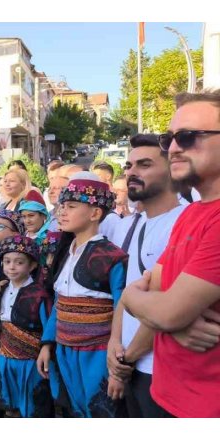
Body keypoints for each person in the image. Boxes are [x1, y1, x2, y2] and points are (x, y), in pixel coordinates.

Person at [120, 91, 220, 418]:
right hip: (165, 395)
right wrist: (171, 319)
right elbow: (159, 302)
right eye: (170, 138)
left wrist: (164, 313)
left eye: (188, 137)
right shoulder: (192, 215)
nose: (174, 147)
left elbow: (162, 308)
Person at [38, 171, 127, 418]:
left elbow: (123, 307)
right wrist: (47, 343)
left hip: (97, 354)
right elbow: (60, 302)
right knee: (74, 410)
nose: (62, 212)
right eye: (61, 206)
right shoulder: (67, 253)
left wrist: (117, 367)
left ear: (95, 213)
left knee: (100, 412)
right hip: (65, 351)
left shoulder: (112, 257)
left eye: (71, 206)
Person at [107, 133, 184, 418]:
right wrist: (114, 343)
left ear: (172, 168)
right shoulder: (138, 224)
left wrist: (125, 361)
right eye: (128, 166)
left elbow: (166, 306)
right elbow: (128, 294)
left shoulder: (182, 223)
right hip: (133, 367)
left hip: (159, 371)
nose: (131, 173)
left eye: (144, 164)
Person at [0, 235, 54, 418]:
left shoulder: (39, 294)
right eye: (7, 261)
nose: (11, 267)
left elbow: (48, 326)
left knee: (34, 407)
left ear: (32, 266)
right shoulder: (0, 290)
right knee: (10, 407)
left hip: (31, 362)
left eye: (19, 262)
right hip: (4, 358)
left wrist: (46, 349)